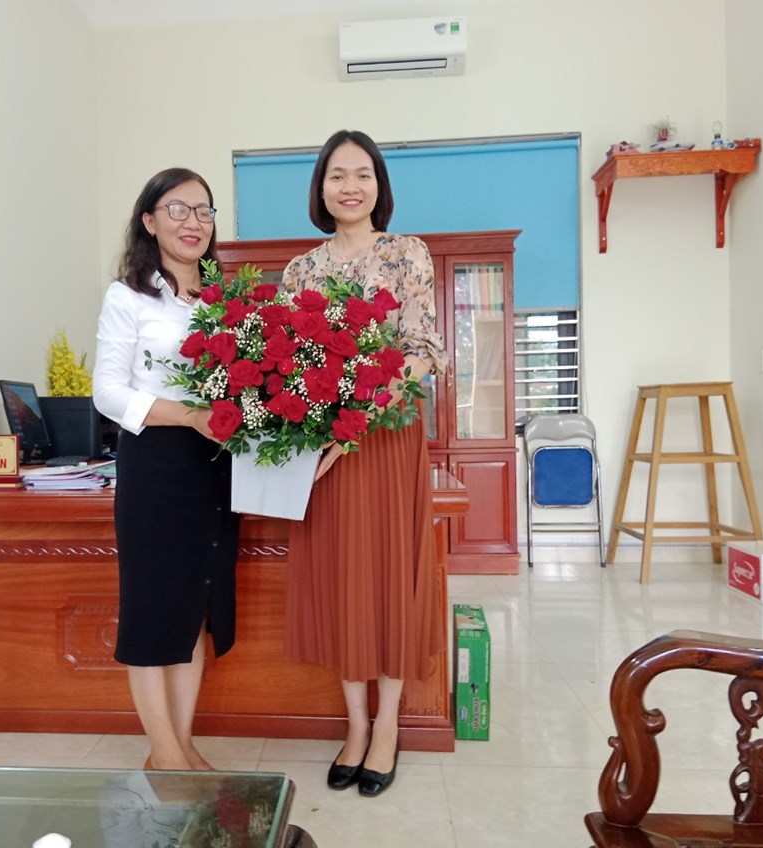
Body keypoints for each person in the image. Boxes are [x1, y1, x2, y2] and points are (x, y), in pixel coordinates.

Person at [282, 130, 447, 798]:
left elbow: (423, 349)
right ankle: (354, 725)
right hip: (324, 448)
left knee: (389, 576)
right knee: (342, 578)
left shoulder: (407, 253)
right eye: (336, 175)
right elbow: (287, 366)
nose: (349, 187)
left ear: (379, 185)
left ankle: (387, 725)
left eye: (362, 174)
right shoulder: (300, 271)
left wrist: (362, 416)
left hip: (385, 440)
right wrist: (319, 427)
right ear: (320, 188)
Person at [92, 167, 240, 771]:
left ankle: (180, 747)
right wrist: (189, 416)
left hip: (215, 466)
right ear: (149, 221)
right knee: (155, 611)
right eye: (177, 209)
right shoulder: (128, 297)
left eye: (204, 210)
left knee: (194, 609)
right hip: (155, 464)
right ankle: (165, 754)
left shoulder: (225, 301)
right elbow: (107, 392)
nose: (193, 222)